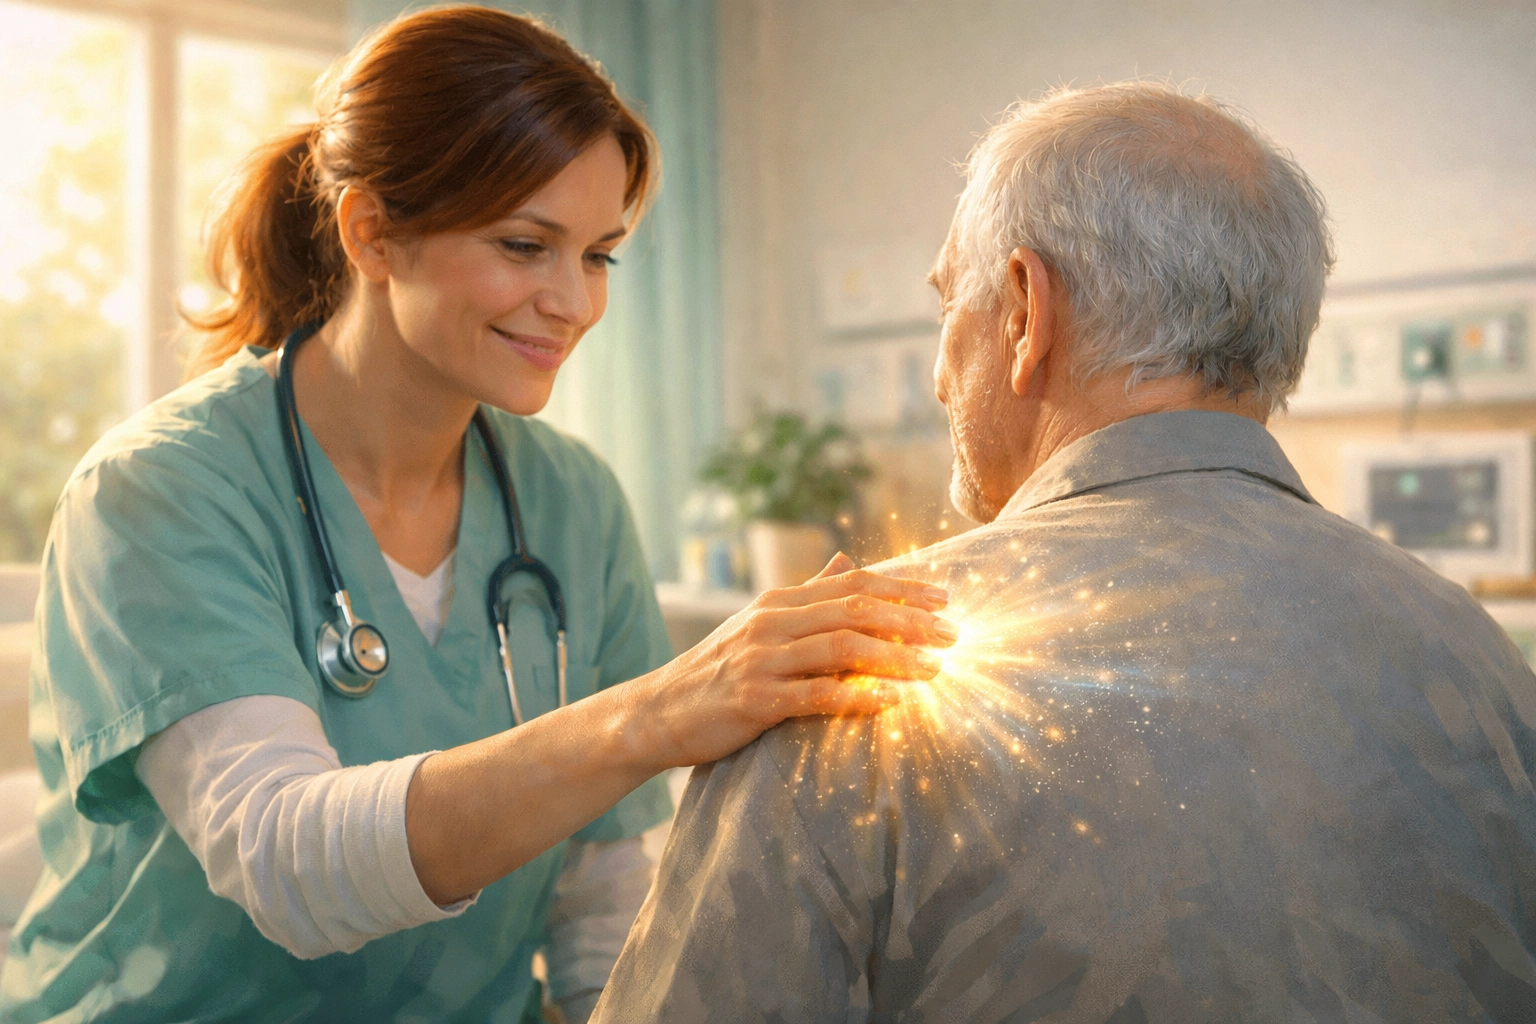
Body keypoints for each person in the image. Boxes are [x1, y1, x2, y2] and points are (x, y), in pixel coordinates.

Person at [0, 8, 958, 1022]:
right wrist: (662, 710)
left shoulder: (572, 499)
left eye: (597, 256)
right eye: (524, 245)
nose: (574, 302)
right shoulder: (162, 491)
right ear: (371, 232)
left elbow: (599, 885)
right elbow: (285, 863)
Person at [593, 82, 1536, 1022]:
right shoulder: (1481, 656)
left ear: (1023, 312)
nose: (934, 375)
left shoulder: (866, 668)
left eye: (943, 308)